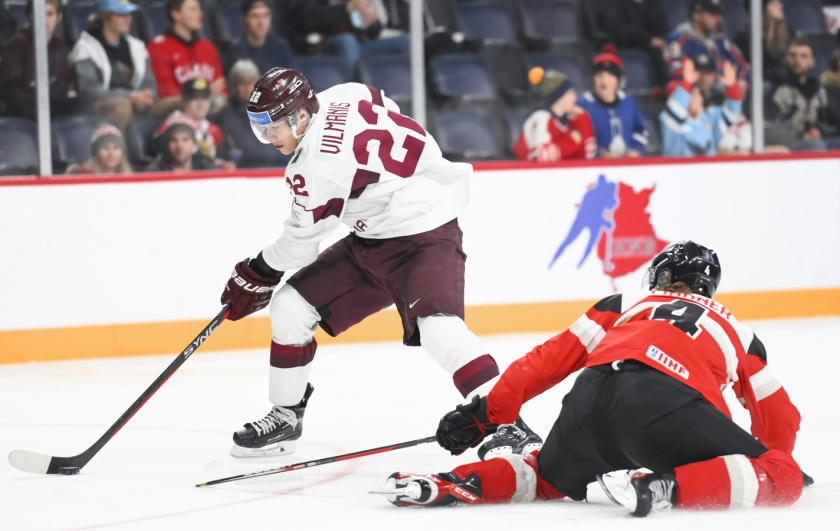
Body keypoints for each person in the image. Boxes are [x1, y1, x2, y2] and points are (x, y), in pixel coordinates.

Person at [220, 67, 542, 459]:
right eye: (260, 128)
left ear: (301, 116)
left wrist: (259, 270)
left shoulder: (314, 167)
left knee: (439, 330)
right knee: (291, 307)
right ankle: (286, 416)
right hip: (372, 236)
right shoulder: (345, 93)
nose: (268, 138)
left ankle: (509, 423)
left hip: (424, 234)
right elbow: (383, 106)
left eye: (272, 128)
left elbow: (300, 244)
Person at [374, 241, 806, 518]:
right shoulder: (737, 330)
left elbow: (546, 361)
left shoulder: (627, 301)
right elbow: (780, 420)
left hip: (590, 400)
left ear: (660, 280)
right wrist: (768, 465)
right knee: (783, 473)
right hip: (666, 410)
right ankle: (663, 488)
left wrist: (485, 415)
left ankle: (451, 483)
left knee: (544, 475)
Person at [70, 0, 160, 130]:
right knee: (122, 105)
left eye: (128, 14)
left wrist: (147, 95)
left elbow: (149, 83)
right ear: (105, 18)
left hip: (135, 100)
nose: (127, 19)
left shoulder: (137, 46)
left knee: (178, 103)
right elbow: (90, 90)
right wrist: (129, 96)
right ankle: (114, 147)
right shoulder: (85, 47)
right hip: (97, 104)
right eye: (120, 15)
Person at [0, 0, 79, 120]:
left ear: (59, 17)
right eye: (40, 13)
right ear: (30, 15)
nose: (44, 19)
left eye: (50, 14)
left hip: (53, 109)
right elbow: (9, 88)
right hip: (23, 113)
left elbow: (62, 82)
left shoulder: (59, 44)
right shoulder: (18, 43)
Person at [286, 0, 410, 75]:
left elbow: (371, 32)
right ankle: (353, 97)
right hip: (323, 45)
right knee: (347, 41)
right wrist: (345, 9)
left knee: (406, 41)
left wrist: (372, 21)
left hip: (361, 45)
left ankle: (415, 99)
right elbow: (307, 20)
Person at [146, 0, 226, 114]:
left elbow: (220, 88)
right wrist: (204, 91)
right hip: (172, 111)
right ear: (176, 14)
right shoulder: (157, 47)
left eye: (199, 9)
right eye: (193, 10)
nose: (200, 13)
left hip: (207, 106)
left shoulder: (207, 47)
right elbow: (166, 94)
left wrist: (207, 93)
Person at [217, 59, 291, 168]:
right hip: (244, 171)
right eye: (242, 84)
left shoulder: (274, 108)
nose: (248, 89)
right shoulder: (224, 114)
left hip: (278, 169)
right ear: (234, 86)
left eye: (251, 82)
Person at [660, 59, 742, 156]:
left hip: (708, 170)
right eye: (693, 95)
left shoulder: (707, 118)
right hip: (680, 170)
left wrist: (732, 86)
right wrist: (686, 83)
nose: (699, 98)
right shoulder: (669, 121)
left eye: (699, 94)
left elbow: (730, 113)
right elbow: (675, 109)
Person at [576, 49, 649, 158]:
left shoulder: (628, 101)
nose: (604, 81)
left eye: (610, 75)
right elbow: (579, 139)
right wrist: (600, 154)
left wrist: (636, 149)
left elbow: (640, 129)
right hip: (595, 168)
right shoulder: (583, 103)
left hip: (628, 163)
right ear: (593, 79)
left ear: (618, 81)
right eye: (600, 75)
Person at [513, 67, 596, 162]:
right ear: (558, 97)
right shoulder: (541, 118)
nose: (574, 97)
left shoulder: (569, 120)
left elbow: (587, 157)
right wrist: (571, 142)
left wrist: (582, 118)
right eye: (569, 93)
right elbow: (541, 157)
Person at [765, 40, 837, 146]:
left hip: (820, 141)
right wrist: (801, 135)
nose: (798, 60)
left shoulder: (821, 92)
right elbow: (766, 129)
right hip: (787, 146)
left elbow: (832, 122)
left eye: (804, 56)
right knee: (816, 145)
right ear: (785, 60)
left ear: (812, 62)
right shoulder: (774, 91)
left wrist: (820, 130)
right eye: (793, 55)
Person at [666, 0, 750, 87]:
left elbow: (744, 67)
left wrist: (743, 82)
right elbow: (676, 69)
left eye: (718, 14)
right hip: (695, 94)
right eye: (712, 14)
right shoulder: (679, 38)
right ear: (696, 15)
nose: (718, 18)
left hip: (728, 93)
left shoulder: (722, 39)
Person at [157, 78, 234, 169]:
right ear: (184, 101)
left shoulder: (214, 130)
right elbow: (161, 159)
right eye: (195, 98)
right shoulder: (171, 125)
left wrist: (222, 165)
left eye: (205, 98)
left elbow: (215, 159)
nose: (201, 104)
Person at [599, 0, 670, 86]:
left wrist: (662, 39)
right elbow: (619, 29)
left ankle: (675, 90)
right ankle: (661, 90)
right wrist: (649, 39)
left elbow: (663, 26)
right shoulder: (615, 3)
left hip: (653, 44)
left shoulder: (654, 3)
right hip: (628, 44)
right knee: (657, 56)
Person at [224, 0, 294, 75]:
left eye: (265, 15)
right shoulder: (236, 50)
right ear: (244, 19)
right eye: (255, 16)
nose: (261, 22)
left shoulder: (281, 47)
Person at [145, 114, 215, 172]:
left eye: (185, 140)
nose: (180, 146)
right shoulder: (155, 171)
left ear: (194, 143)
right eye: (174, 140)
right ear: (167, 144)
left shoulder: (206, 167)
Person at [66, 124, 132, 174]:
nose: (111, 153)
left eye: (116, 148)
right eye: (105, 148)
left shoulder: (130, 178)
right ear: (96, 152)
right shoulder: (82, 173)